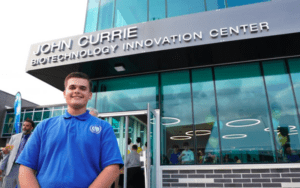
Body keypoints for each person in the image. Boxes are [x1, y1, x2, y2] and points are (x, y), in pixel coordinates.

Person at [17, 72, 123, 188]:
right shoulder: (44, 126)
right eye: (72, 87)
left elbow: (112, 168)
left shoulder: (104, 127)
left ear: (90, 95)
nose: (77, 91)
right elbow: (26, 167)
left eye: (82, 88)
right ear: (64, 93)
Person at [0, 119, 35, 188]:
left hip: (25, 169)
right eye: (24, 125)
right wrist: (1, 167)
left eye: (27, 126)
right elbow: (7, 153)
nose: (24, 127)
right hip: (11, 168)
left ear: (31, 128)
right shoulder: (14, 137)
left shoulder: (35, 138)